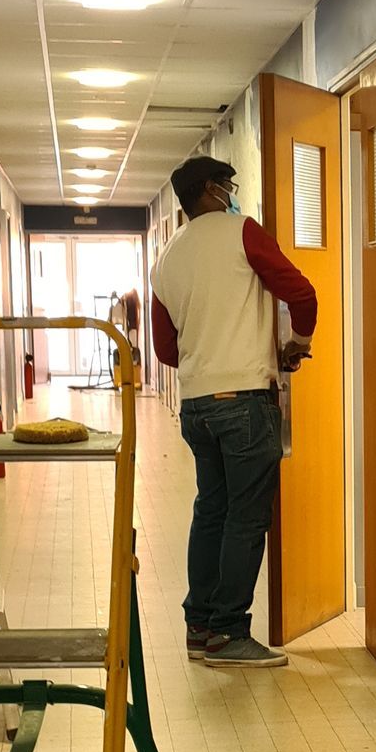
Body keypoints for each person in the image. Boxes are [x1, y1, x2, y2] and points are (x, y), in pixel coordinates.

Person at [150, 155, 316, 667]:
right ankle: (228, 633)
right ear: (209, 190)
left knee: (211, 511)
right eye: (228, 184)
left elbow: (166, 350)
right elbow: (301, 292)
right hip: (243, 401)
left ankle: (200, 627)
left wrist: (206, 353)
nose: (232, 192)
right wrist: (296, 344)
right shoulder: (243, 232)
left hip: (197, 406)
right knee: (245, 518)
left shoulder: (167, 256)